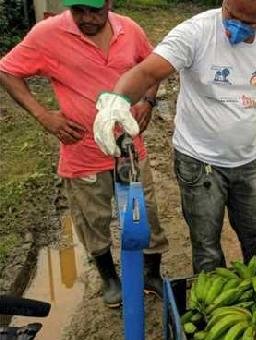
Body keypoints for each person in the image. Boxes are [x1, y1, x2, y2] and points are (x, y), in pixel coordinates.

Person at [92, 0, 256, 274]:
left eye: (247, 23)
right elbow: (147, 71)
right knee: (207, 246)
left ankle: (255, 296)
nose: (233, 28)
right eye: (230, 16)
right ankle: (213, 306)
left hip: (248, 162)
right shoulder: (196, 32)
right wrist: (116, 100)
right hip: (199, 164)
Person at [0, 0, 169, 307]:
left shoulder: (129, 30)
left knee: (145, 214)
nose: (87, 19)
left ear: (109, 3)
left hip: (129, 147)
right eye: (79, 10)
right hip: (82, 151)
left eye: (95, 11)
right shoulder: (47, 34)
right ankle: (109, 278)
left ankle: (151, 273)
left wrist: (147, 101)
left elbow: (154, 66)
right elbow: (7, 70)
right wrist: (43, 116)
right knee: (93, 219)